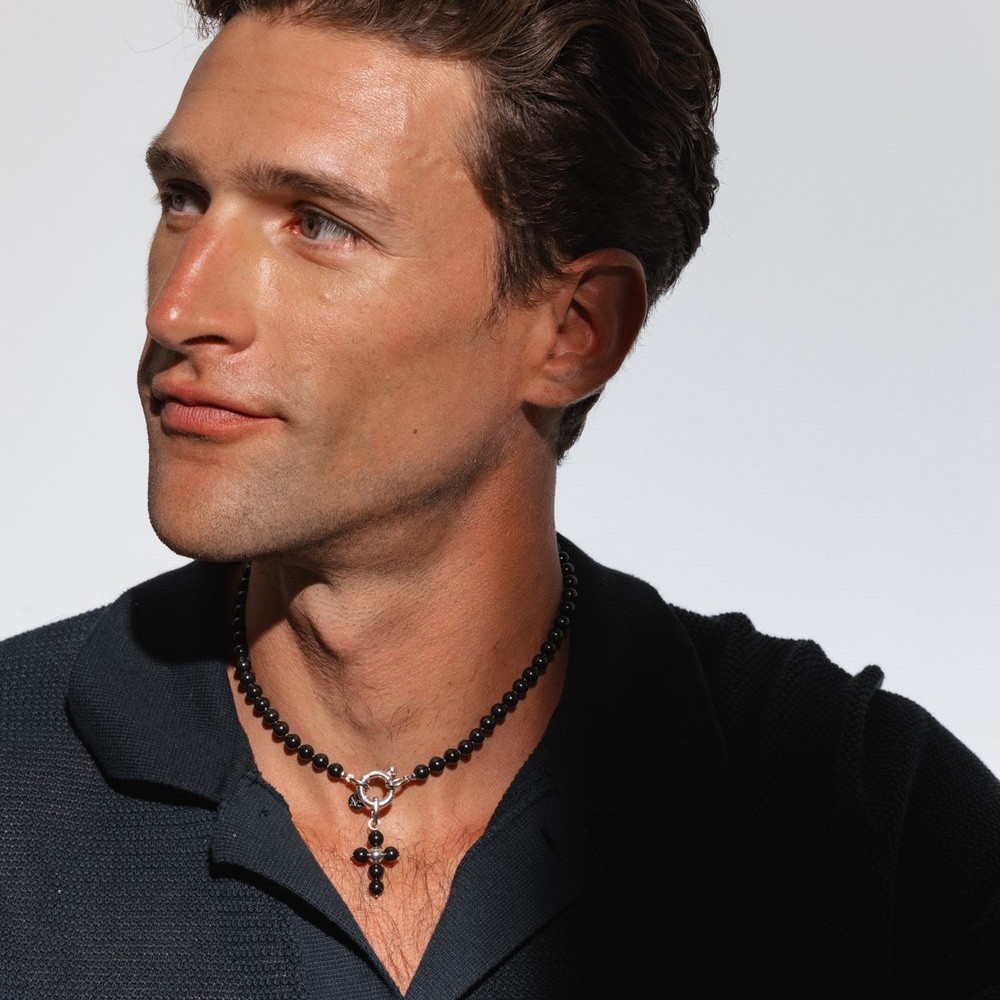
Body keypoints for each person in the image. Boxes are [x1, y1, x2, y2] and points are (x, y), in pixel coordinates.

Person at [1, 1, 998, 997]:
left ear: (573, 331)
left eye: (319, 223)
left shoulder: (870, 826)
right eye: (182, 198)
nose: (178, 309)